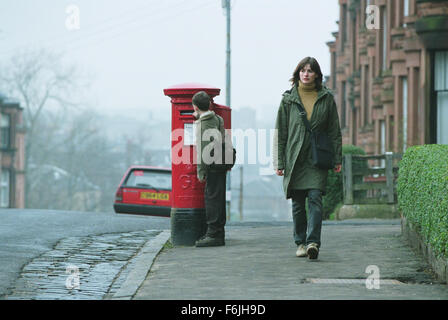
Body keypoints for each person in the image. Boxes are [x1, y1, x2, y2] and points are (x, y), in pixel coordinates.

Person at [273, 57, 342, 260]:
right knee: (297, 203)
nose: (306, 74)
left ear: (317, 75)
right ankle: (300, 242)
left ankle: (313, 242)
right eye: (303, 70)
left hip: (316, 157)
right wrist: (279, 162)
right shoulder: (288, 99)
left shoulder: (327, 98)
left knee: (315, 199)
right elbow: (280, 133)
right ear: (297, 74)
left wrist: (337, 158)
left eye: (310, 71)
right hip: (294, 158)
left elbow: (334, 130)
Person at [191, 91, 227, 247]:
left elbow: (202, 151)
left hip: (211, 166)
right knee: (219, 198)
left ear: (195, 107)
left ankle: (212, 235)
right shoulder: (218, 119)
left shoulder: (200, 125)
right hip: (221, 163)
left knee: (211, 199)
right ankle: (218, 232)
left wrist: (201, 171)